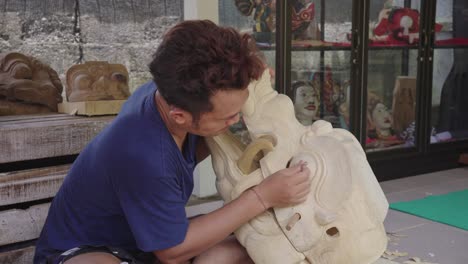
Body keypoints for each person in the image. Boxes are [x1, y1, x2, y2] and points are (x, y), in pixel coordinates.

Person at [34, 20, 311, 264]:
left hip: (145, 244)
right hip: (86, 250)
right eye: (226, 117)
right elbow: (172, 251)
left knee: (249, 250)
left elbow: (187, 150)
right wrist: (263, 196)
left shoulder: (167, 92)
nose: (236, 120)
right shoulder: (141, 151)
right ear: (180, 116)